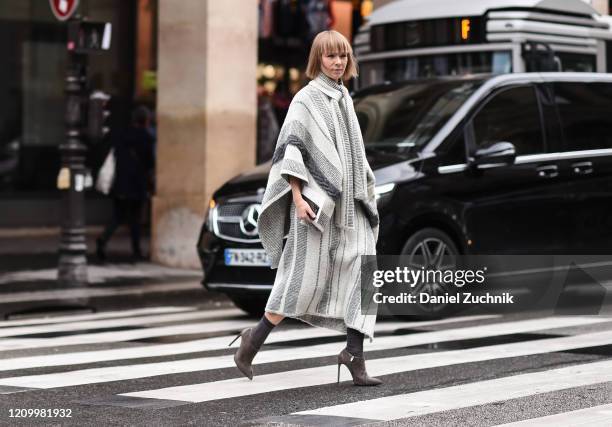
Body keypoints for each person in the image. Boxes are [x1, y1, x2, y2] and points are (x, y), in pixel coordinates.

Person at [229, 30, 381, 386]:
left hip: (351, 204)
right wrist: (297, 199)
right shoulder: (306, 100)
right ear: (318, 60)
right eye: (330, 56)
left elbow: (353, 154)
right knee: (299, 282)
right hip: (315, 206)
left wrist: (365, 188)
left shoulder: (344, 97)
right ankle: (252, 341)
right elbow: (291, 153)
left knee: (365, 273)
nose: (338, 62)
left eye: (342, 55)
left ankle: (354, 355)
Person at [96, 106, 155, 263]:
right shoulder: (146, 138)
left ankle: (103, 239)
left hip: (120, 183)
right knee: (135, 219)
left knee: (118, 216)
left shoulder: (121, 135)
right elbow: (149, 163)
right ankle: (136, 250)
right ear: (146, 121)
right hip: (136, 183)